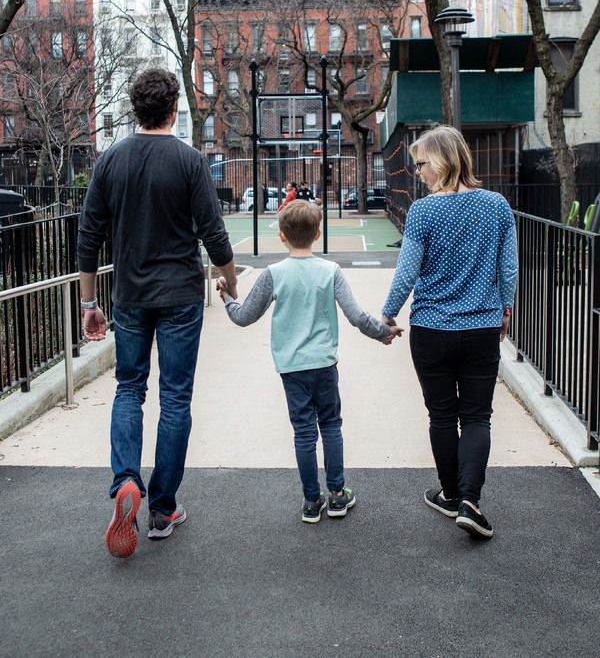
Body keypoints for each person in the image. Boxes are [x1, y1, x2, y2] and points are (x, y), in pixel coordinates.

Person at [77, 67, 237, 559]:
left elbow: (88, 237)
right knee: (175, 397)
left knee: (129, 388)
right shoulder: (190, 162)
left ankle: (126, 479)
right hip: (181, 298)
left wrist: (89, 302)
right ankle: (163, 508)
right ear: (173, 109)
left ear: (134, 109)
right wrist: (229, 282)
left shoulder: (110, 161)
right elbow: (213, 233)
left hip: (128, 296)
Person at [216, 199, 402, 523]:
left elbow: (245, 316)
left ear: (283, 236)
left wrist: (229, 299)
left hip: (291, 368)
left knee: (303, 432)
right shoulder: (330, 271)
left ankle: (311, 501)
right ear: (318, 234)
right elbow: (356, 315)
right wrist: (381, 332)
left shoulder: (273, 274)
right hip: (324, 364)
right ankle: (338, 495)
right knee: (331, 425)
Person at [381, 125, 517, 541]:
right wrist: (505, 308)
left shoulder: (424, 211)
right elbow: (508, 267)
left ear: (442, 160)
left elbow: (407, 272)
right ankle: (470, 502)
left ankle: (451, 494)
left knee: (441, 415)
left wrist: (387, 315)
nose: (417, 172)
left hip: (432, 328)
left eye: (421, 164)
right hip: (481, 326)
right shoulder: (496, 206)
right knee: (477, 416)